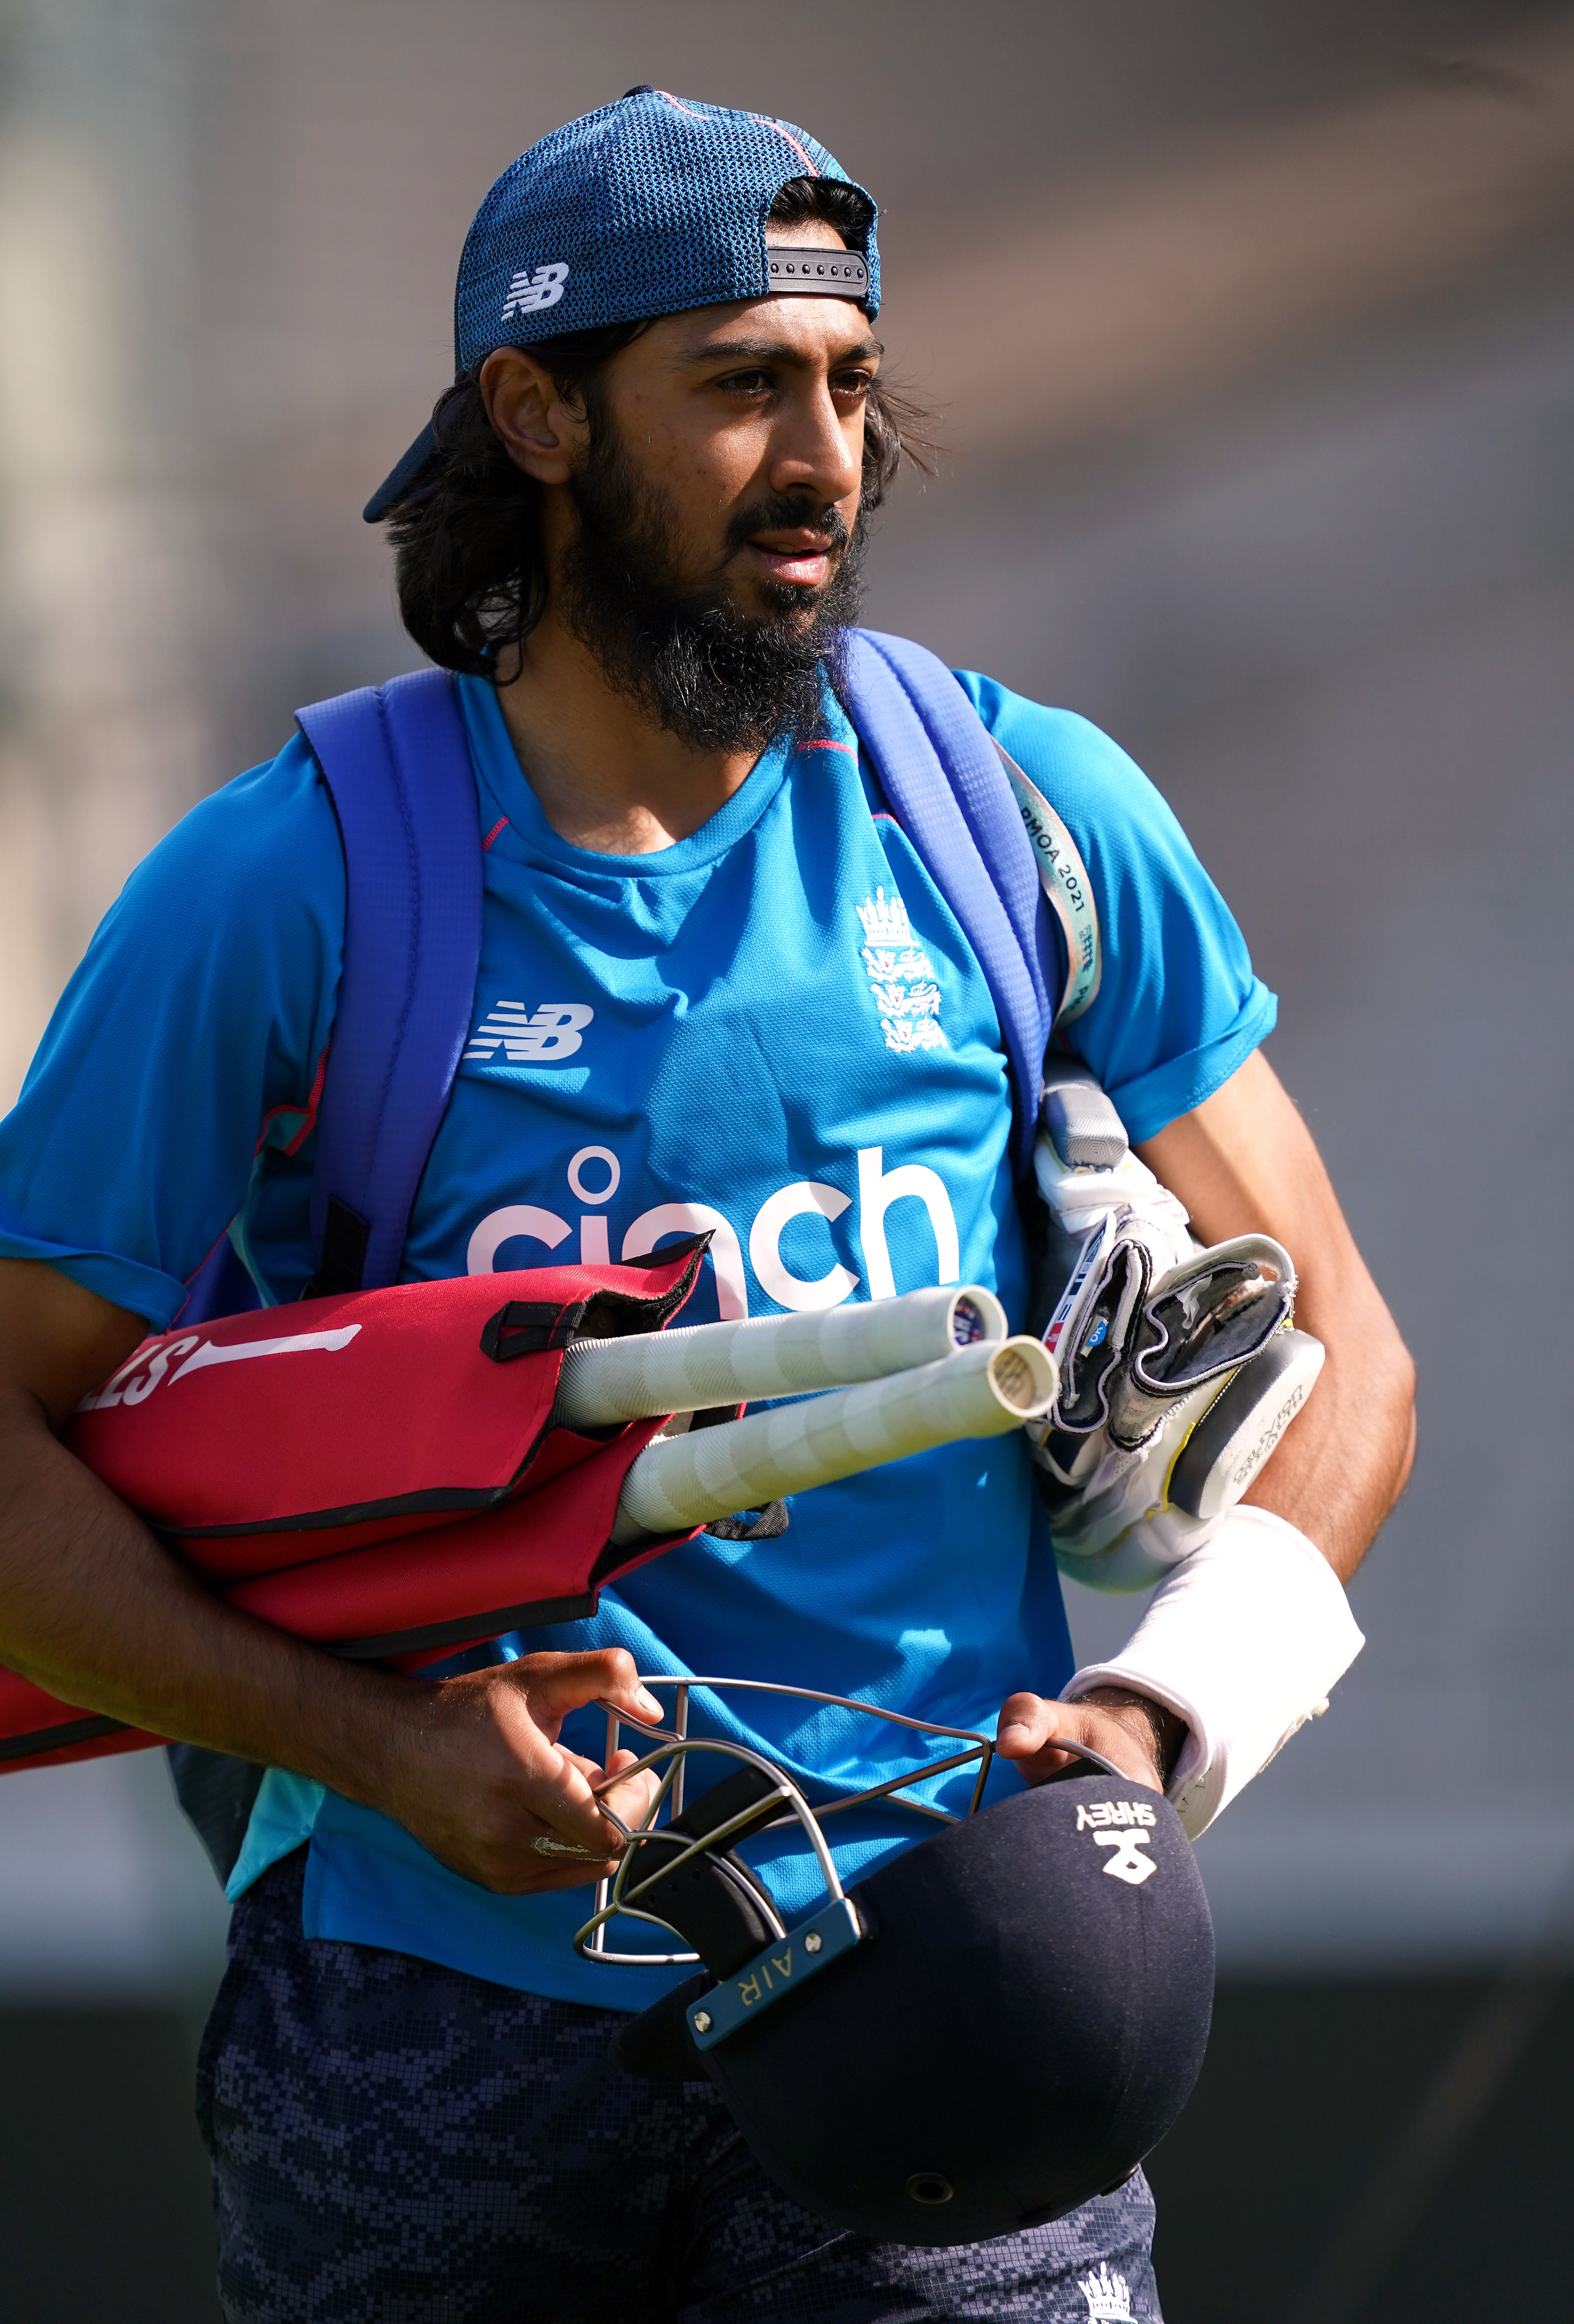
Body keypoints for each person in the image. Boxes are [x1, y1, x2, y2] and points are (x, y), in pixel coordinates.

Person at [0, 91, 1414, 2323]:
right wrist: (378, 1749)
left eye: (852, 386)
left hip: (946, 1966)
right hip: (425, 2009)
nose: (829, 455)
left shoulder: (1022, 809)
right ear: (536, 414)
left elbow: (1352, 1350)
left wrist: (1160, 1722)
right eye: (745, 383)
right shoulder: (282, 883)